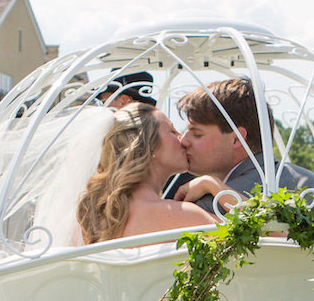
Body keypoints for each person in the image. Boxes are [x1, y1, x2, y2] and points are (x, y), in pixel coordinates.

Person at [174, 77, 314, 215]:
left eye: (197, 134)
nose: (184, 141)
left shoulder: (212, 204)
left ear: (237, 139)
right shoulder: (312, 182)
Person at [77, 101, 219, 243]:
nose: (182, 137)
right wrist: (212, 184)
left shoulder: (91, 222)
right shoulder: (186, 216)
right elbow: (240, 240)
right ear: (150, 146)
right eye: (172, 131)